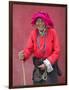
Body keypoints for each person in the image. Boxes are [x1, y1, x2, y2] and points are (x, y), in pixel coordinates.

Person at [18, 12, 61, 85]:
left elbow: (57, 51)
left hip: (50, 66)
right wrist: (24, 55)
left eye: (42, 21)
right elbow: (29, 49)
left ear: (45, 22)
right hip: (38, 67)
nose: (39, 23)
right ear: (35, 23)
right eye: (37, 21)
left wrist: (46, 63)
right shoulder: (33, 33)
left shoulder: (53, 32)